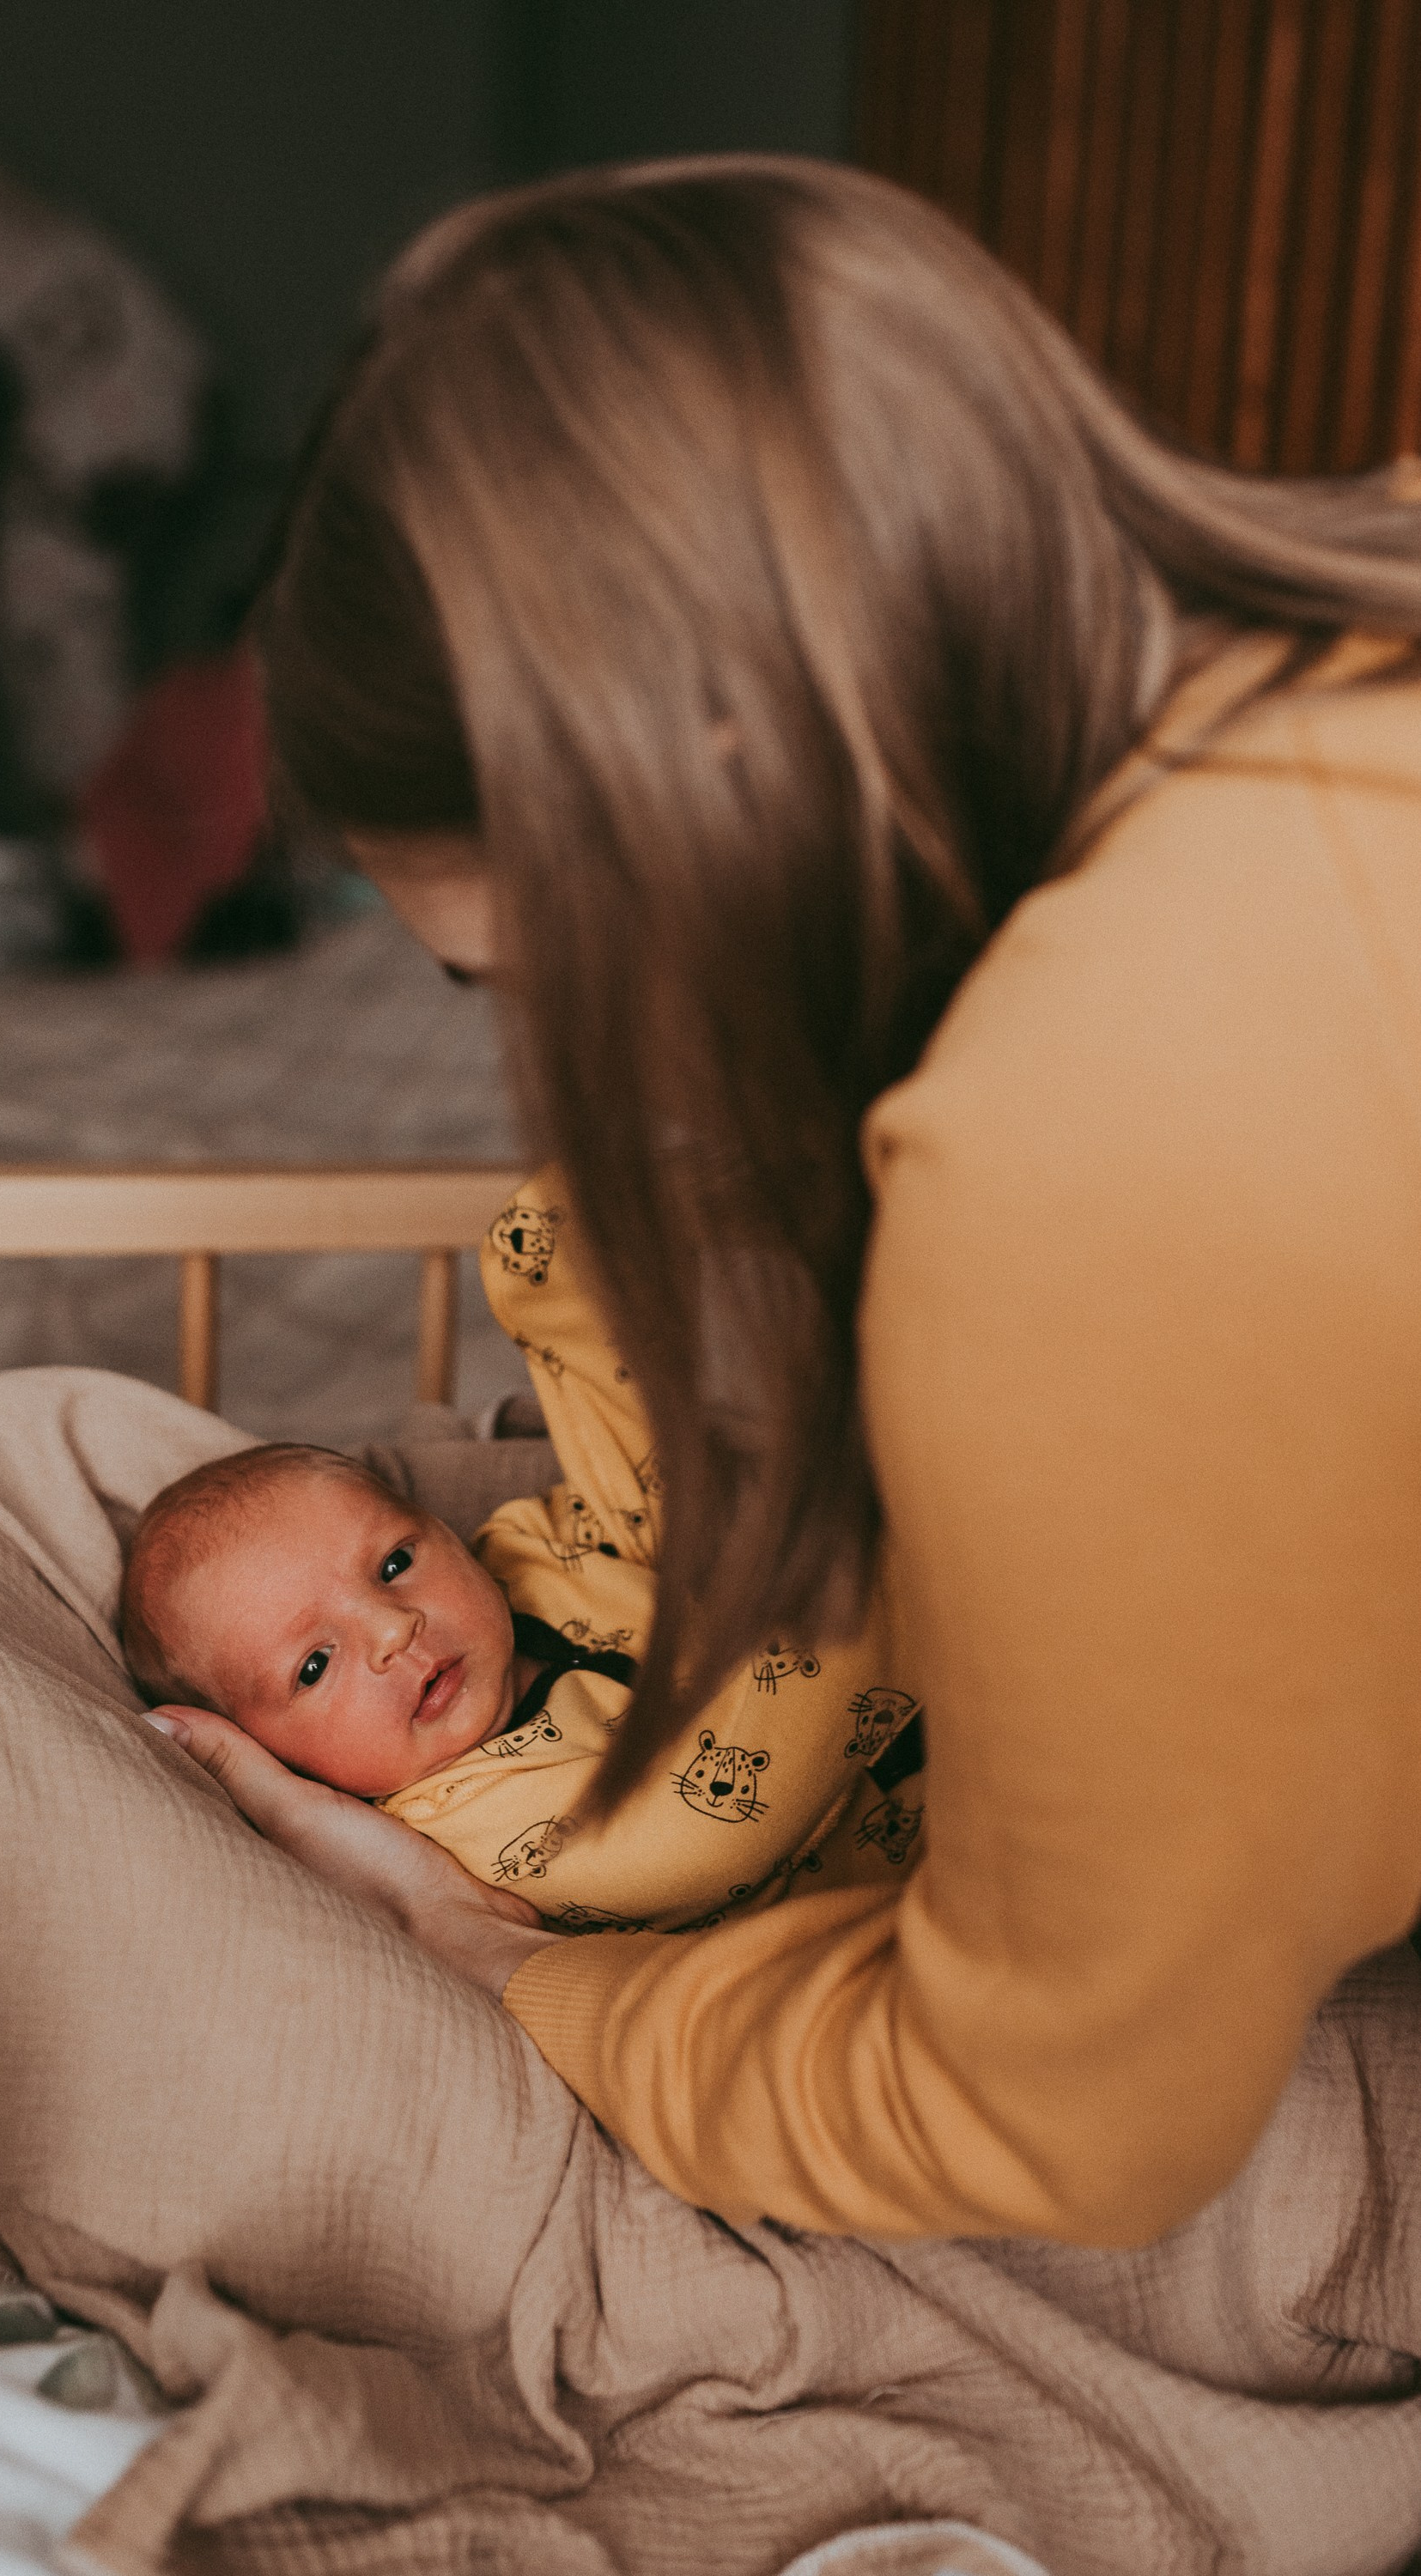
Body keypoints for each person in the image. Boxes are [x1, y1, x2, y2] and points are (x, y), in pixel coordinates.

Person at [158, 155, 1421, 2247]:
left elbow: (1059, 2115)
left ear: (700, 835)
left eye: (535, 977)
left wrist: (523, 1975)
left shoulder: (1059, 1145)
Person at [127, 1175, 927, 1929]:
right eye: (314, 1665)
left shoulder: (520, 1557)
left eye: (395, 1564)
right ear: (283, 1762)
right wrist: (848, 1591)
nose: (391, 1629)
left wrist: (554, 1302)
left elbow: (653, 1499)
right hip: (909, 1884)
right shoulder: (459, 1819)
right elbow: (697, 1839)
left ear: (442, 1530)